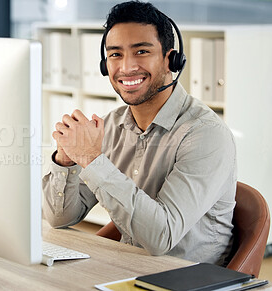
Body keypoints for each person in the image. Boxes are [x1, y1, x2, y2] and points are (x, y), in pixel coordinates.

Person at [42, 0, 236, 266]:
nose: (126, 67)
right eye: (115, 54)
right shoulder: (111, 126)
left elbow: (161, 237)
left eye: (141, 51)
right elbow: (59, 218)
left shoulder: (205, 134)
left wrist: (91, 158)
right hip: (127, 271)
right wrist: (67, 160)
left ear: (171, 60)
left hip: (184, 279)